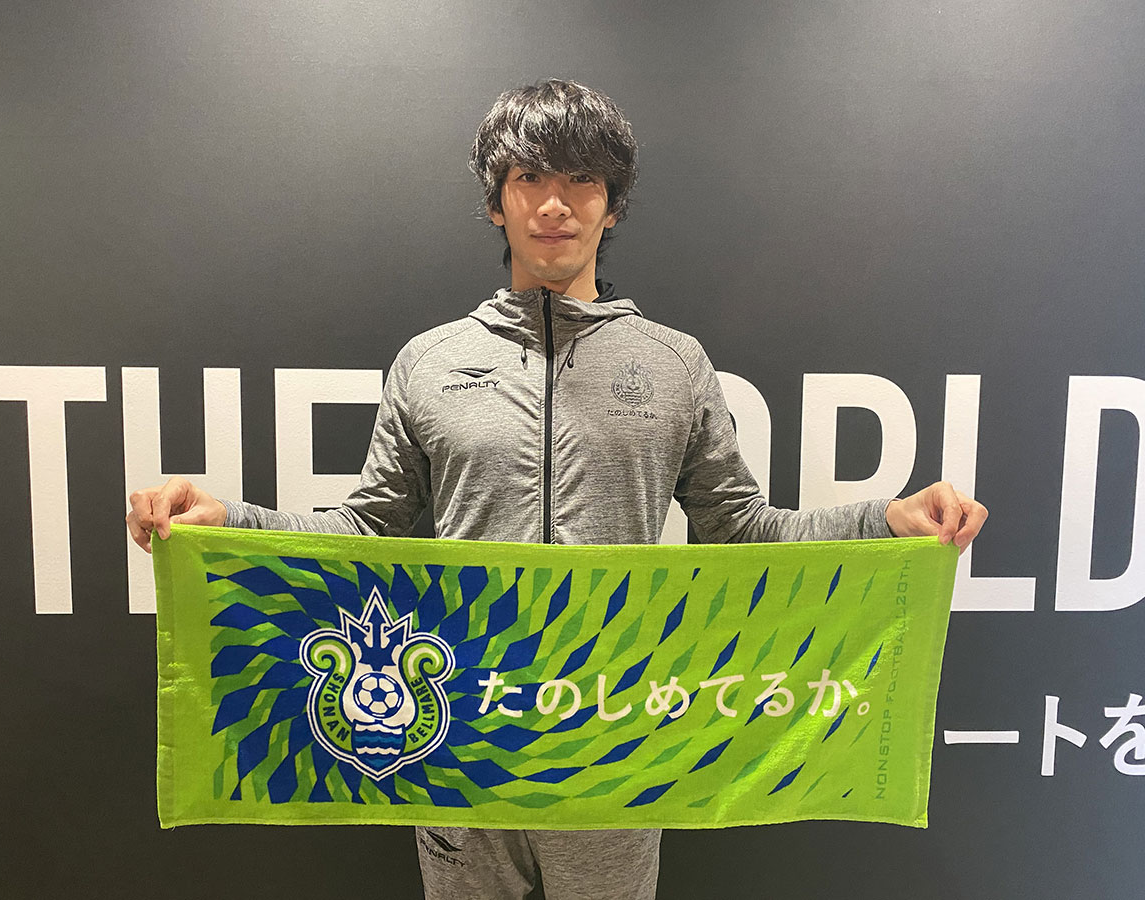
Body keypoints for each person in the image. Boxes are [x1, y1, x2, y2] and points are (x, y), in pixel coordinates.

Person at [126, 79, 987, 900]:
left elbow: (741, 528)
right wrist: (226, 521)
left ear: (612, 207)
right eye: (528, 178)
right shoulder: (429, 362)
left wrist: (887, 518)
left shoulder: (674, 363)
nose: (554, 204)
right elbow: (364, 529)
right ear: (496, 202)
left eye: (582, 181)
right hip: (458, 726)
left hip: (610, 730)